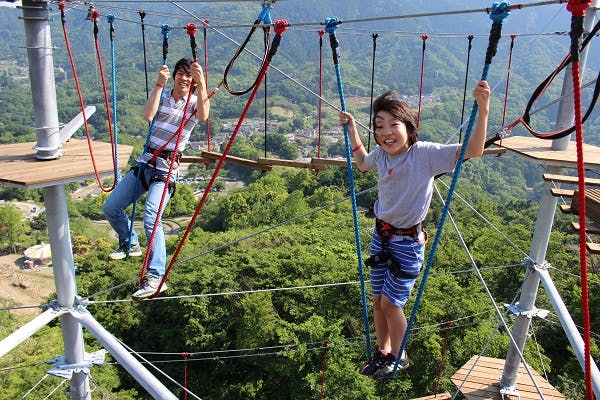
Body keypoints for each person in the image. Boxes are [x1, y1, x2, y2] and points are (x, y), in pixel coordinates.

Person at [339, 80, 490, 380]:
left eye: (392, 125)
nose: (384, 133)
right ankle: (384, 351)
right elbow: (363, 163)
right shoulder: (381, 155)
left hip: (407, 243)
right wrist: (353, 129)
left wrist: (483, 110)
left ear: (409, 127)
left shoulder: (424, 154)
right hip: (380, 237)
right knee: (378, 300)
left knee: (392, 303)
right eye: (378, 126)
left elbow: (473, 151)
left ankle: (400, 354)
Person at [103, 58, 210, 300]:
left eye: (188, 76)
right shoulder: (162, 95)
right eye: (180, 74)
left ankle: (155, 276)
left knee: (152, 215)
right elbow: (147, 115)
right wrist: (159, 85)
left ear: (192, 81)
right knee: (111, 207)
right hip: (145, 163)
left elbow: (203, 116)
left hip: (166, 168)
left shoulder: (193, 103)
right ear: (174, 76)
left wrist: (201, 83)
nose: (184, 79)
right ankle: (130, 243)